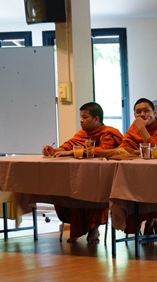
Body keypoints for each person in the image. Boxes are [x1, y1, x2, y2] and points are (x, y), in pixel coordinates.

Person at [42, 102, 124, 243]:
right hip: (81, 176)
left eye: (85, 117)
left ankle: (93, 228)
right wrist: (53, 150)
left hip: (100, 177)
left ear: (96, 119)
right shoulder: (82, 134)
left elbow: (104, 150)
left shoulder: (108, 134)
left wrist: (71, 152)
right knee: (68, 191)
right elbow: (68, 146)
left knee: (98, 193)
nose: (81, 120)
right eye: (80, 117)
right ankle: (77, 227)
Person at [113, 98, 157, 235]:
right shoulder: (133, 129)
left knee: (154, 185)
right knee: (127, 187)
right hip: (140, 174)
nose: (142, 115)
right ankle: (151, 219)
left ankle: (156, 218)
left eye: (146, 111)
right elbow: (124, 149)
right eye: (138, 112)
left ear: (155, 112)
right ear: (134, 115)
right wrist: (136, 151)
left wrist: (142, 128)